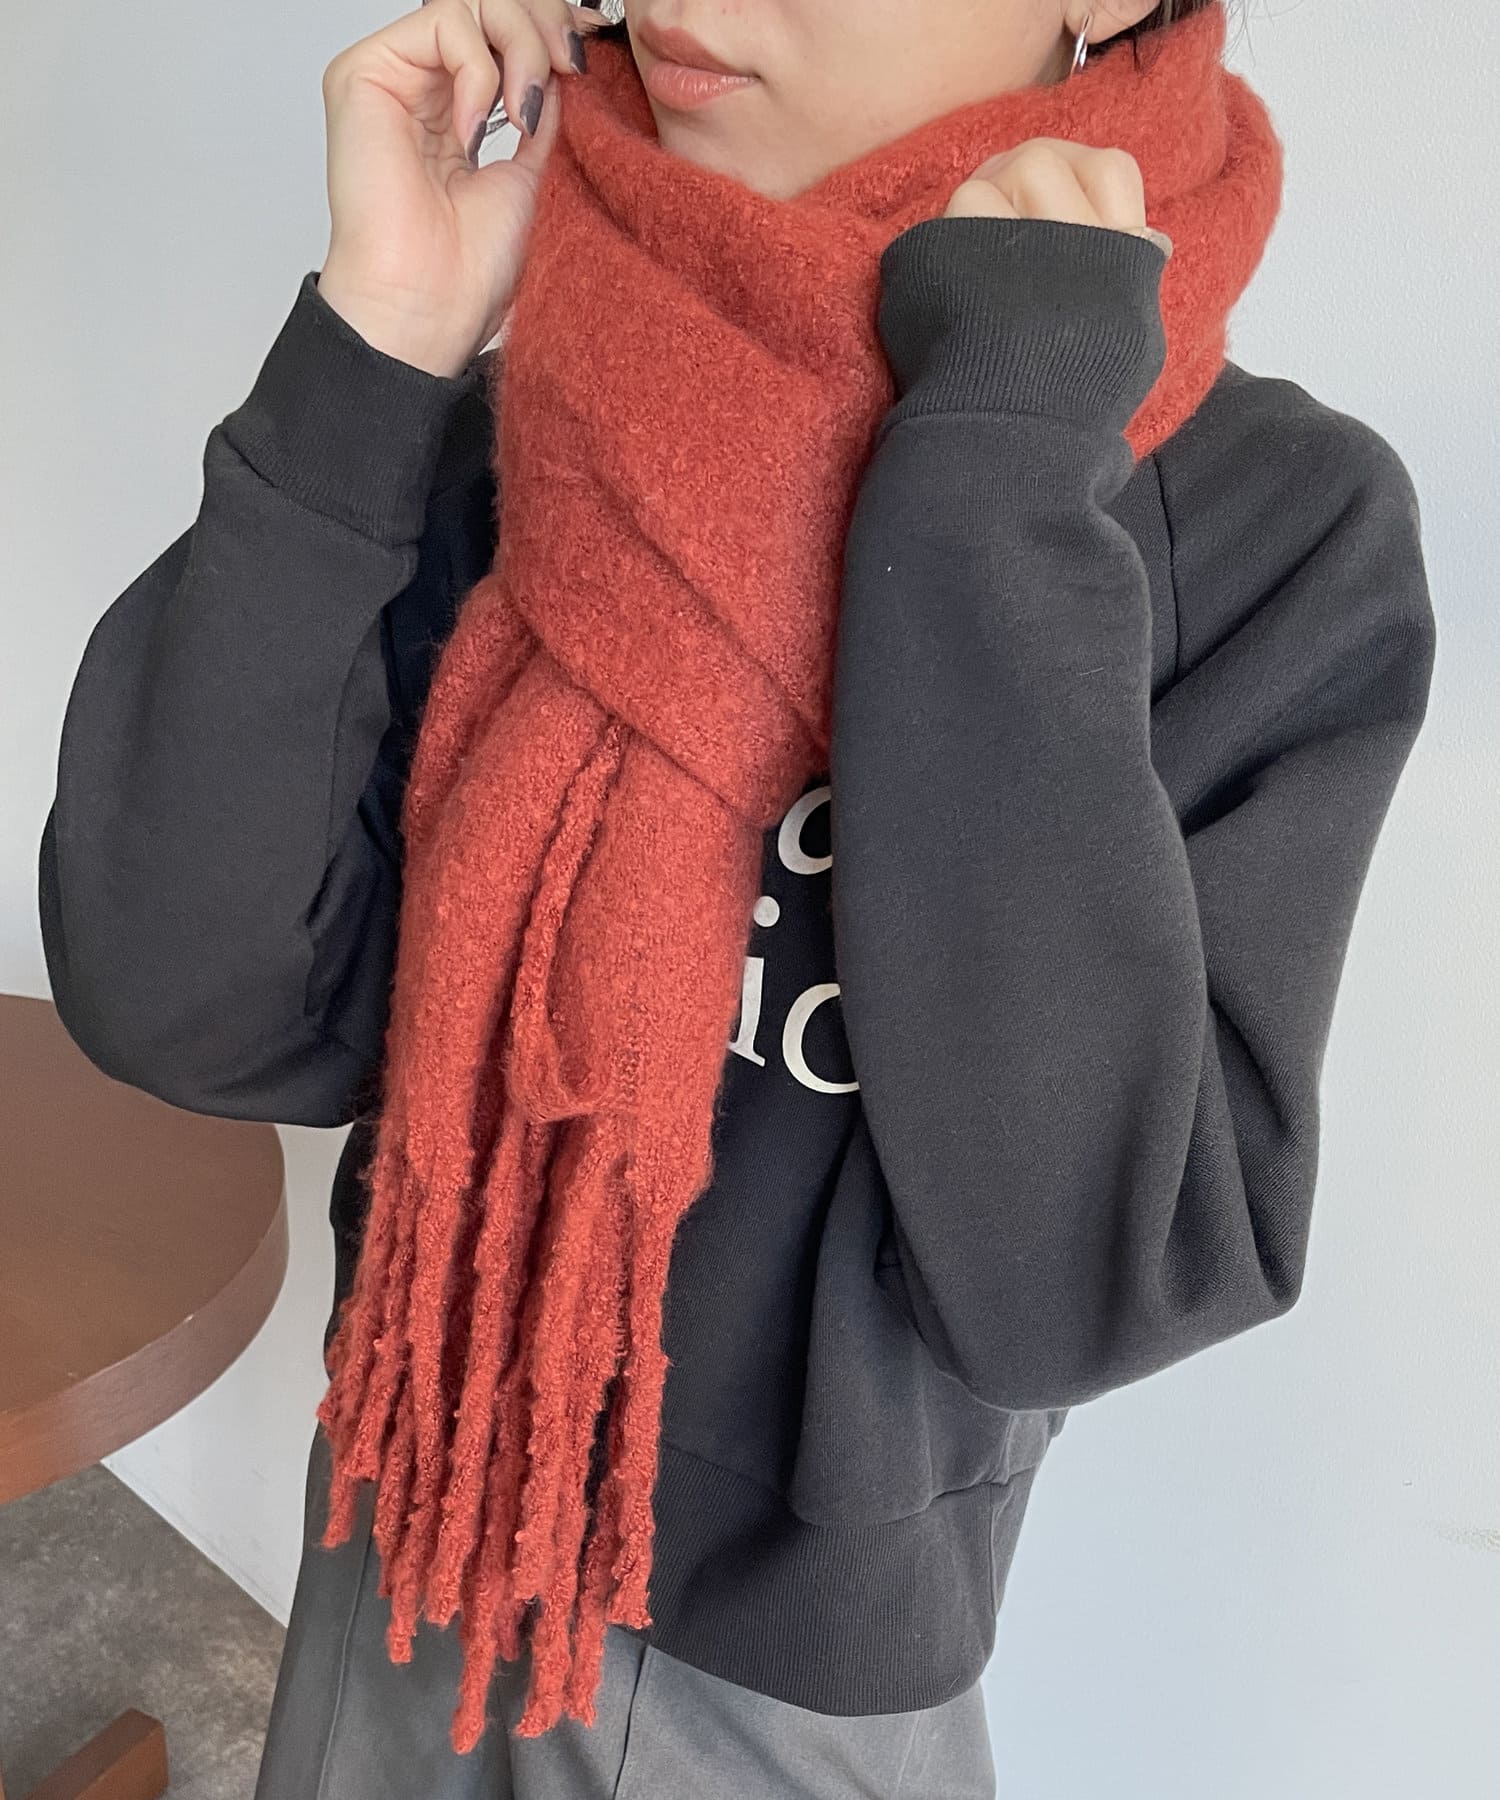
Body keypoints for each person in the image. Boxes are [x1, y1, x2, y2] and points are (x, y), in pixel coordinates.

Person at [37, 0, 1437, 1794]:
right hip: (418, 1479)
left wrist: (995, 483)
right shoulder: (544, 418)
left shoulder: (1268, 526)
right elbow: (192, 1006)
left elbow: (1089, 1277)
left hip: (791, 1674)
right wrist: (374, 342)